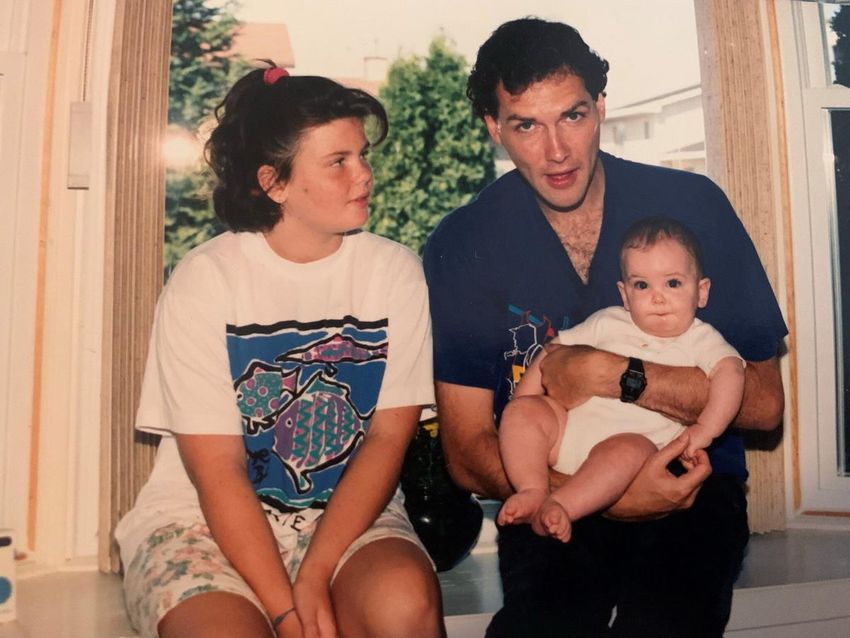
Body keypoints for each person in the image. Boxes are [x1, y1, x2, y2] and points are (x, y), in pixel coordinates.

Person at [423, 17, 786, 638]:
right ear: (493, 128)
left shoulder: (691, 206)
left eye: (572, 116)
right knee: (542, 627)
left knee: (665, 624)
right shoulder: (463, 244)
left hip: (688, 487)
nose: (556, 151)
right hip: (549, 489)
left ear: (601, 109)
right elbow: (464, 450)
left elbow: (763, 405)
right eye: (526, 125)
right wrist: (596, 495)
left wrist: (617, 375)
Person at [115, 66, 444, 638]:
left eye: (362, 155)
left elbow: (389, 437)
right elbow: (217, 470)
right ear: (275, 182)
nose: (364, 174)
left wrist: (316, 571)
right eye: (338, 161)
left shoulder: (395, 273)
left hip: (346, 514)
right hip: (200, 519)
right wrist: (288, 613)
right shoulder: (206, 280)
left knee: (405, 605)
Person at [498, 217, 745, 542]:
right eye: (642, 285)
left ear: (701, 292)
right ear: (625, 295)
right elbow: (553, 349)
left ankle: (560, 506)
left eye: (672, 283)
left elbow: (731, 374)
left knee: (627, 448)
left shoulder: (701, 340)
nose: (657, 297)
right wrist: (525, 400)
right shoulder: (607, 321)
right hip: (567, 433)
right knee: (521, 414)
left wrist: (705, 430)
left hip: (631, 453)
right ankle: (533, 489)